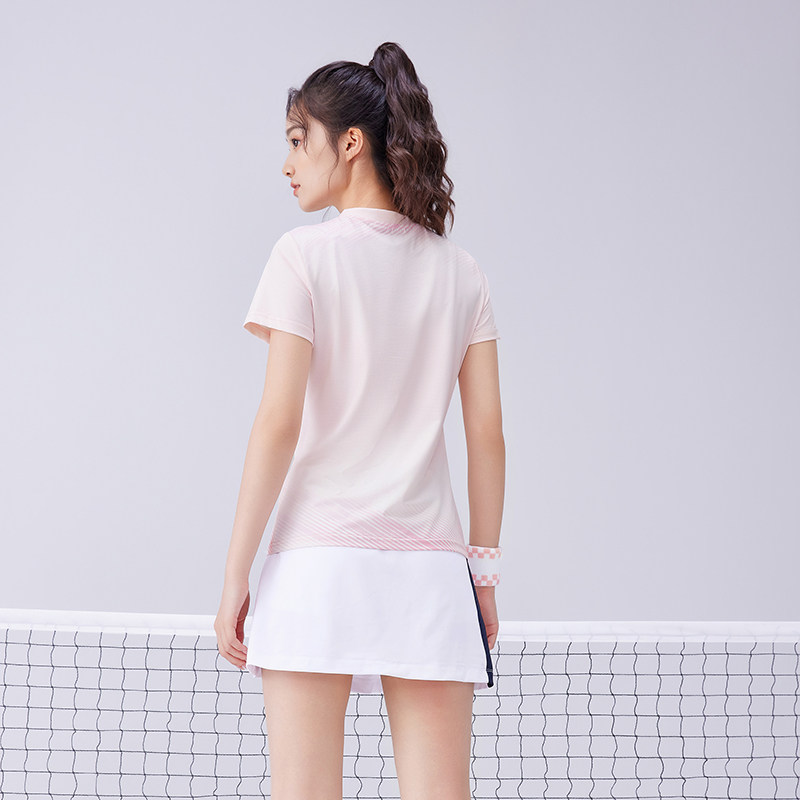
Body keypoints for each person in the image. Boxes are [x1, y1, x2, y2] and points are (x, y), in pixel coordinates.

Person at [214, 41, 505, 800]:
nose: (287, 163)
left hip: (316, 568)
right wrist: (482, 577)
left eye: (297, 139)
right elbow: (487, 436)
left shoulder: (301, 257)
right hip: (432, 576)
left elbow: (277, 421)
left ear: (349, 143)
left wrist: (236, 574)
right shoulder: (461, 273)